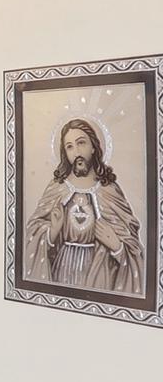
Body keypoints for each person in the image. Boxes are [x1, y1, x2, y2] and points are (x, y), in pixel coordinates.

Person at [23, 118, 144, 293]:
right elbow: (32, 232)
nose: (77, 152)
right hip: (61, 272)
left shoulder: (109, 190)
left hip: (101, 276)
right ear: (65, 153)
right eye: (70, 146)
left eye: (81, 143)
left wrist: (117, 245)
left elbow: (134, 245)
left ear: (93, 146)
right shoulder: (57, 188)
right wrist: (52, 231)